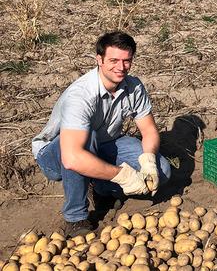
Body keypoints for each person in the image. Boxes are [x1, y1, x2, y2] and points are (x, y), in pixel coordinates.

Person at [32, 31, 172, 236]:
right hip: (56, 155)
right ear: (99, 59)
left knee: (162, 171)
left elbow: (149, 130)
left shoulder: (133, 87)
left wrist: (149, 159)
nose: (121, 67)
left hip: (107, 142)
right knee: (87, 138)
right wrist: (123, 175)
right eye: (114, 60)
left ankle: (99, 187)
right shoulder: (81, 95)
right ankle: (75, 217)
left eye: (126, 61)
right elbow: (71, 158)